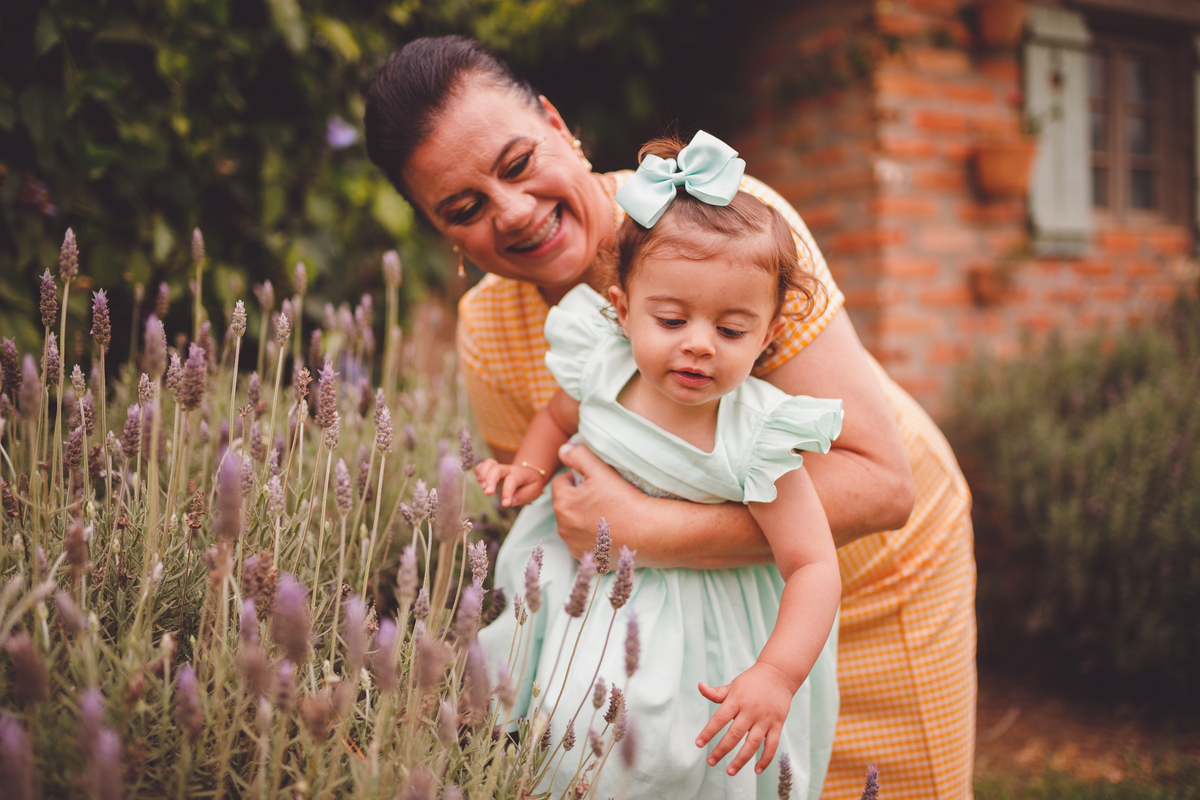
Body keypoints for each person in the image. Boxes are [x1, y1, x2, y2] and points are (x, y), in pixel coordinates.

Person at [365, 35, 976, 800]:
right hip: (692, 635)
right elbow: (566, 517)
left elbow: (883, 485)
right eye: (465, 207)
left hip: (871, 575)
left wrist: (646, 531)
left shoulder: (723, 227)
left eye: (517, 164)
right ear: (443, 232)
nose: (513, 212)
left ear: (556, 124)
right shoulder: (489, 332)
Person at [475, 130, 845, 799]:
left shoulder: (757, 435)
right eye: (672, 320)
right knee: (565, 733)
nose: (699, 345)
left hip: (709, 633)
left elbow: (814, 565)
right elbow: (557, 417)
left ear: (767, 335)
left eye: (731, 330)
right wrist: (528, 468)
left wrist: (776, 674)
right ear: (622, 311)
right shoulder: (603, 366)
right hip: (583, 596)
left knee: (677, 765)